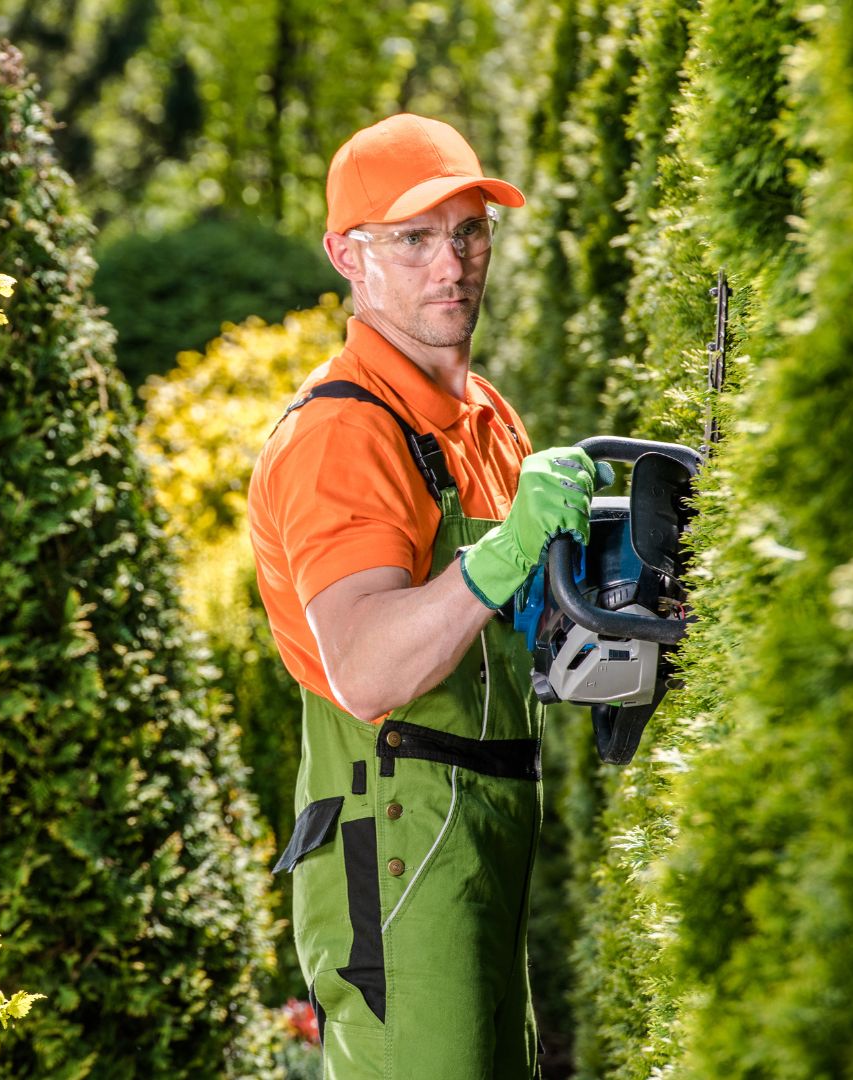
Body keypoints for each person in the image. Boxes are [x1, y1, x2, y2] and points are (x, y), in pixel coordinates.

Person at [248, 113, 605, 1079]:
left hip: (485, 823)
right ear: (346, 257)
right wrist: (499, 563)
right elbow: (367, 669)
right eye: (412, 239)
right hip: (393, 840)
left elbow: (518, 635)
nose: (451, 264)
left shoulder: (485, 418)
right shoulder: (342, 434)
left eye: (468, 231)